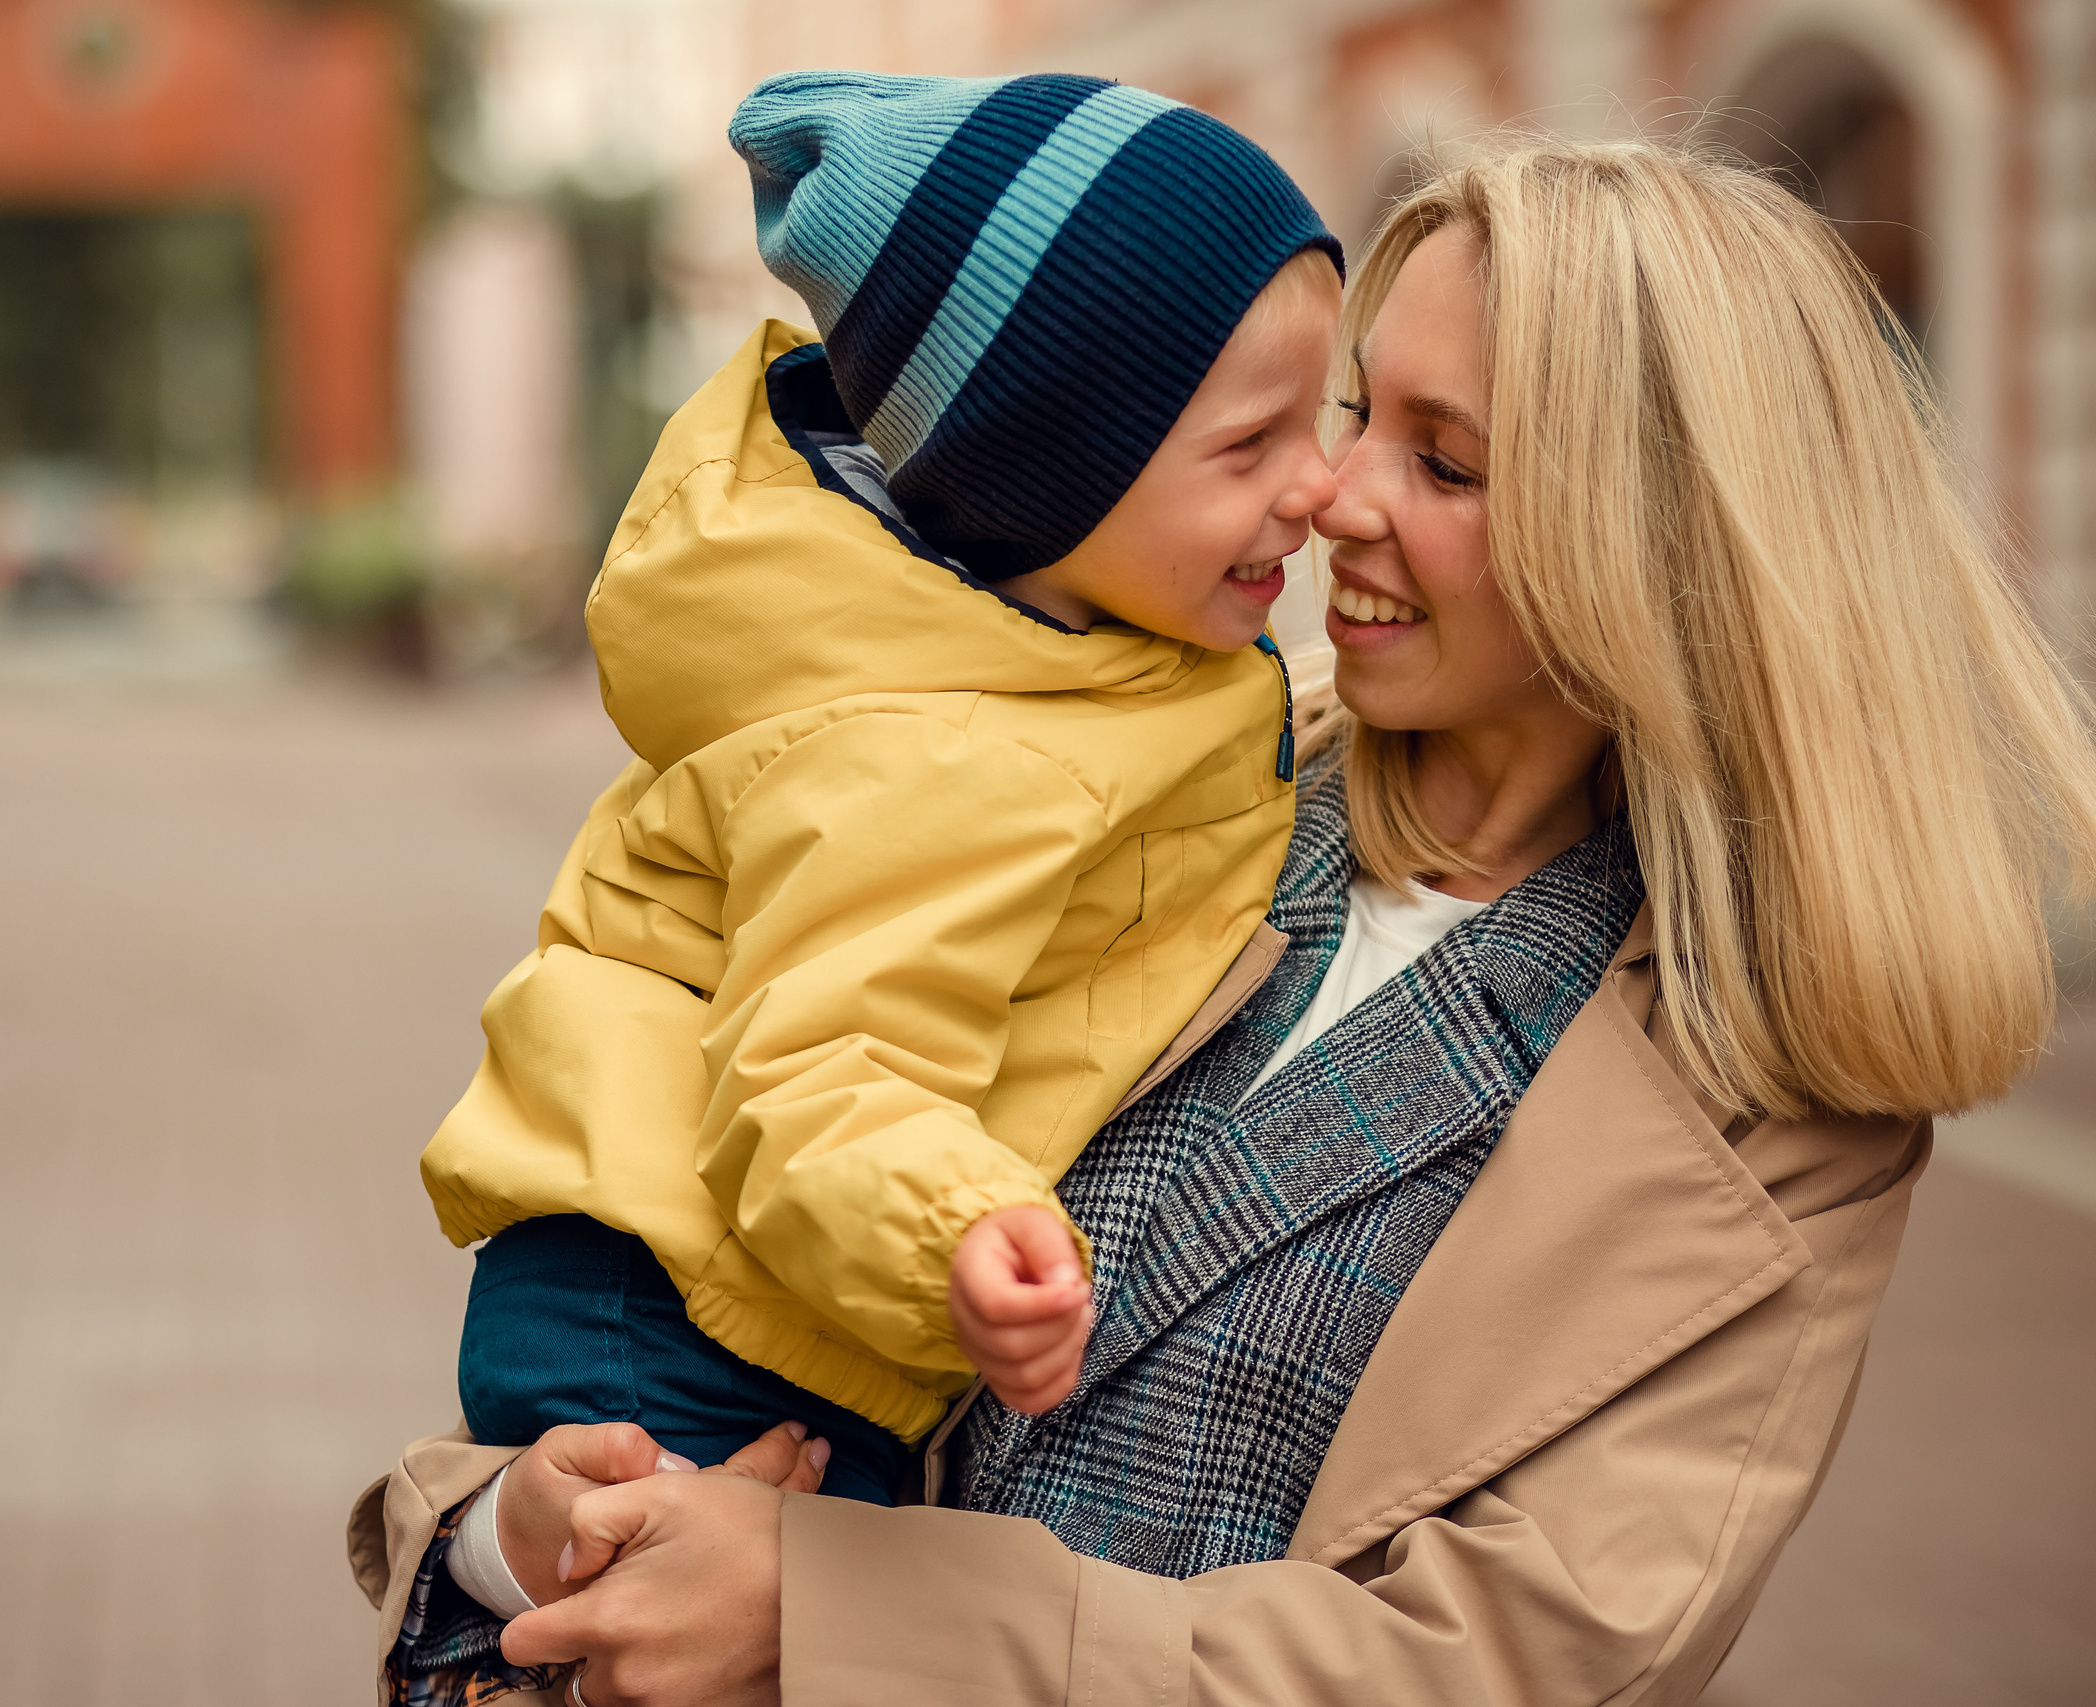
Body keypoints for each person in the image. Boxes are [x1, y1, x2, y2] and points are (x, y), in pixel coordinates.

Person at [349, 131, 2096, 1706]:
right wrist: (513, 1533)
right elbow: (642, 1251)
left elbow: (1503, 1664)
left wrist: (829, 1607)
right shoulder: (1108, 772)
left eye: (1448, 462)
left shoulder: (1786, 1096)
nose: (1334, 496)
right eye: (1353, 414)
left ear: (1659, 545)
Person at [416, 65, 1349, 1604]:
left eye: (1327, 417)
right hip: (690, 1324)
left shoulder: (1048, 644)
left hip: (712, 1283)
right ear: (1049, 475)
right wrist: (961, 1234)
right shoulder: (933, 750)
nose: (1315, 487)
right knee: (715, 1631)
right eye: (1249, 448)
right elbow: (823, 1068)